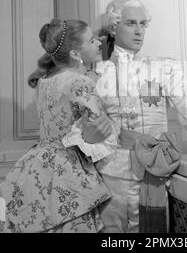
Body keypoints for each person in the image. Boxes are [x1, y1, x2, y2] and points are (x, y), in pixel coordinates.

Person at [81, 0, 187, 233]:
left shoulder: (164, 67)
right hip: (108, 175)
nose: (139, 31)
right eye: (131, 23)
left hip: (155, 171)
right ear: (115, 27)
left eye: (143, 24)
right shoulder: (95, 71)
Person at [0, 18, 118, 233]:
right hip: (66, 167)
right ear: (75, 54)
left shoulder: (44, 82)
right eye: (91, 41)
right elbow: (100, 129)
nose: (98, 43)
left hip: (37, 162)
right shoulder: (79, 82)